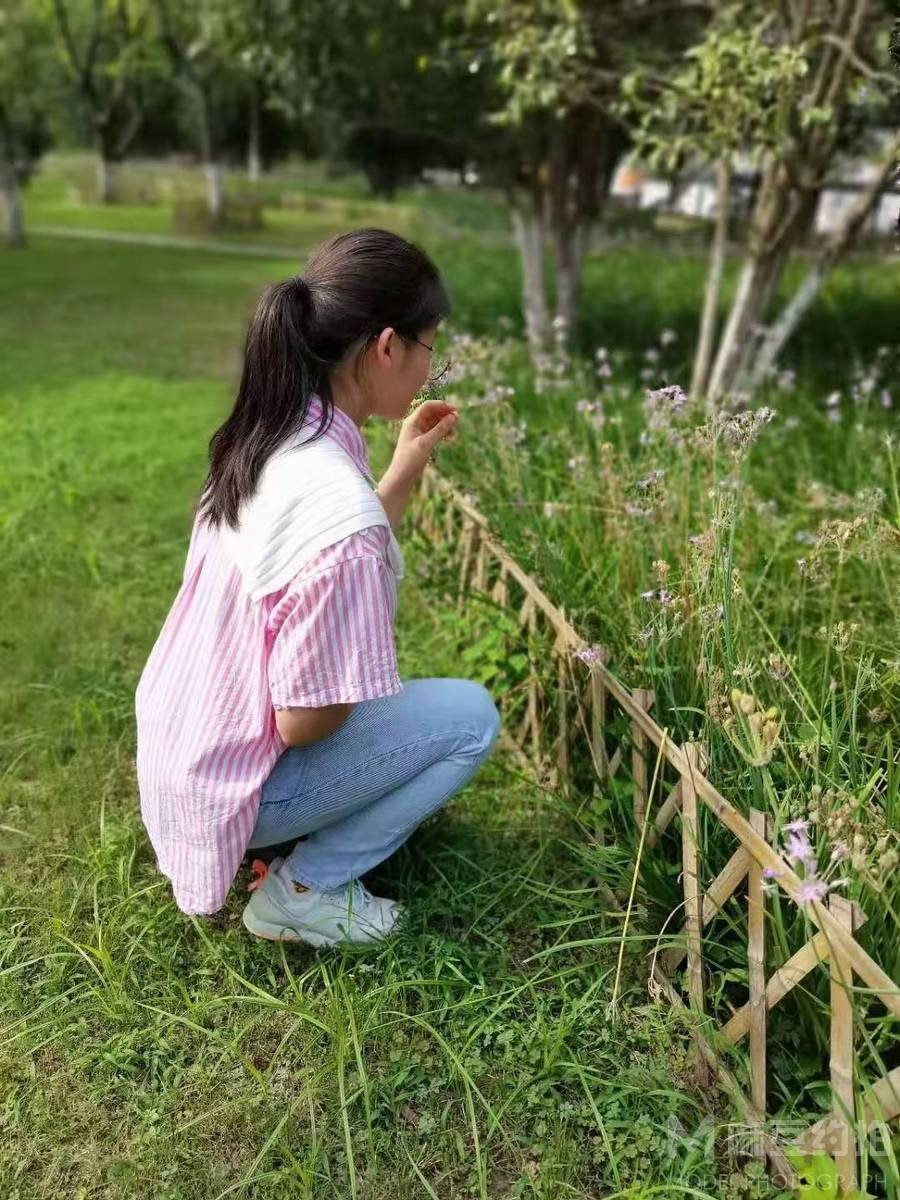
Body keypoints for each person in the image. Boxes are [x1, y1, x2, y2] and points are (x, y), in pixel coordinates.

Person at [134, 228, 502, 947]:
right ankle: (304, 890)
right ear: (387, 346)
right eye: (431, 348)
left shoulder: (272, 434)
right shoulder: (341, 512)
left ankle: (278, 849)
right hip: (237, 782)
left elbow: (331, 545)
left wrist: (402, 472)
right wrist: (352, 682)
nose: (430, 369)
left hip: (186, 753)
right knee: (468, 716)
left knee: (404, 714)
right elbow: (304, 720)